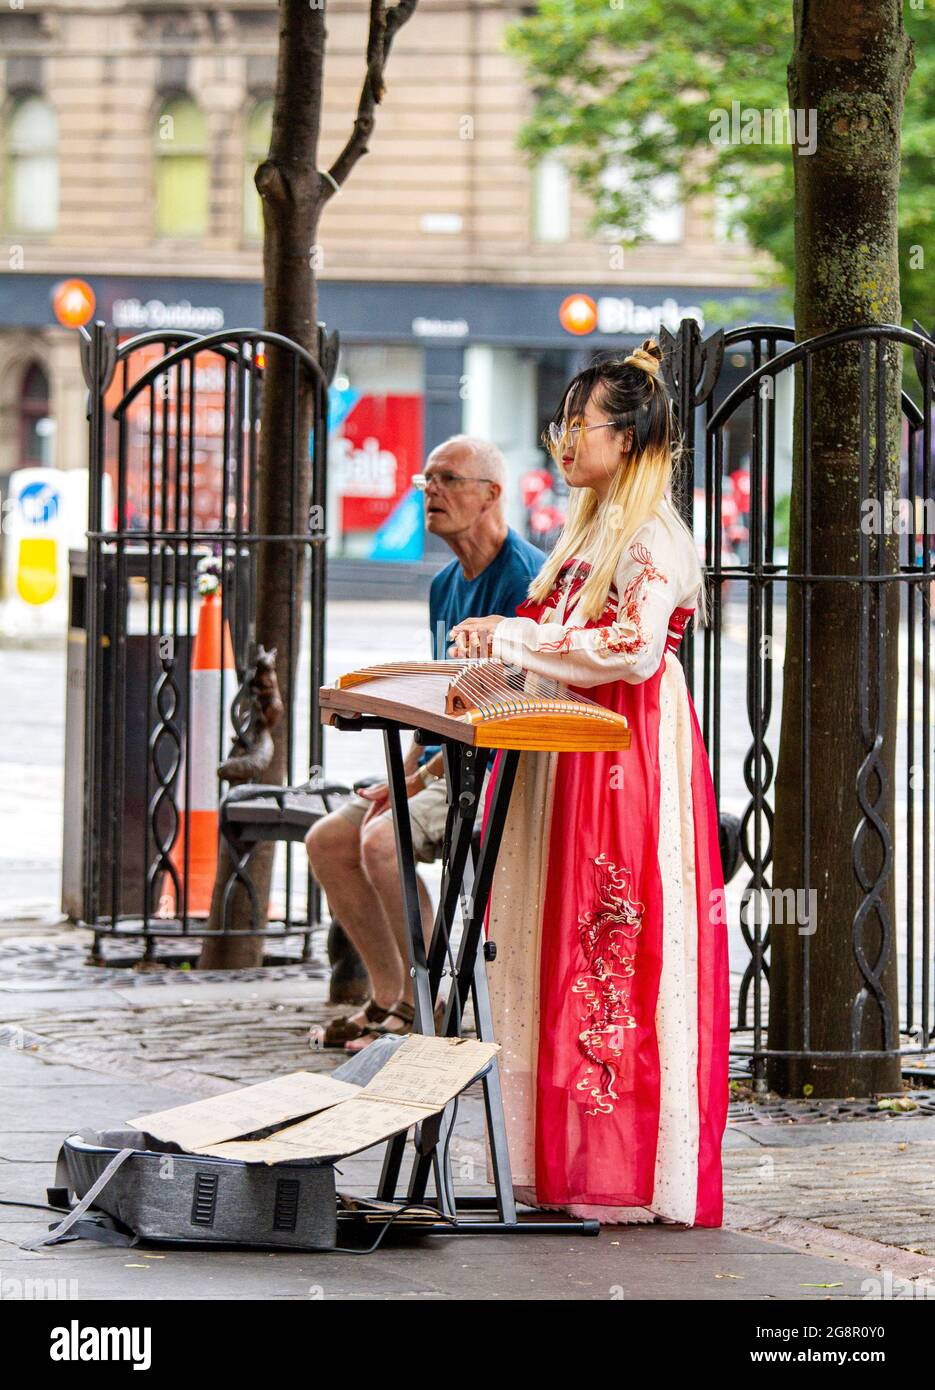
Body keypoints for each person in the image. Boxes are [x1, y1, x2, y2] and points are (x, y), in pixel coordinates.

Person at [448, 340, 730, 1228]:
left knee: (606, 940)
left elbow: (632, 649)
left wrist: (513, 637)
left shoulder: (652, 536)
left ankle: (618, 1164)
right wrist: (497, 644)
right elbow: (548, 633)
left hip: (621, 753)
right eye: (560, 426)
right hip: (565, 745)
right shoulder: (589, 530)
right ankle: (552, 1162)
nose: (565, 441)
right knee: (550, 938)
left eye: (581, 425)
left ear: (629, 437)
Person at [306, 435, 545, 1052]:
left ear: (491, 494)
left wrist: (415, 782)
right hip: (440, 764)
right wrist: (404, 774)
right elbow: (440, 698)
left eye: (447, 479)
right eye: (425, 480)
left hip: (490, 772)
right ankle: (389, 996)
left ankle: (428, 1005)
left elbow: (507, 710)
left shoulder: (525, 580)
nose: (430, 491)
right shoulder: (444, 584)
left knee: (381, 842)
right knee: (328, 839)